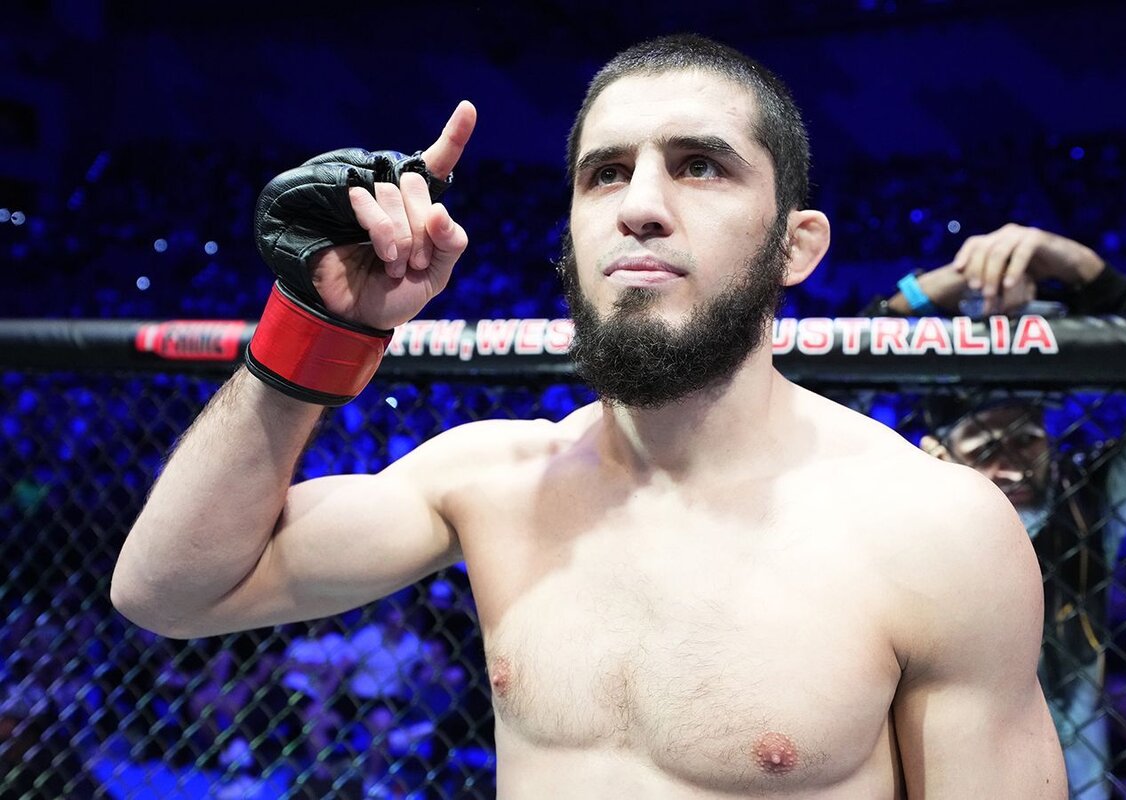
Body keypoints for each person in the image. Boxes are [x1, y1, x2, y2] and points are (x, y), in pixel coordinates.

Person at [112, 35, 1067, 796]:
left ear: (797, 245)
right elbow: (168, 593)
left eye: (700, 165)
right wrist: (316, 327)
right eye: (604, 173)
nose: (640, 205)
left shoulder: (932, 527)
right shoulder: (492, 483)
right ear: (570, 235)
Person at [867, 224, 1126, 798]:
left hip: (1073, 777)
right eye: (987, 449)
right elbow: (815, 393)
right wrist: (928, 291)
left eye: (1027, 441)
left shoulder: (1083, 500)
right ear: (938, 454)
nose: (1016, 467)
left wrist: (1083, 269)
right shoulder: (898, 517)